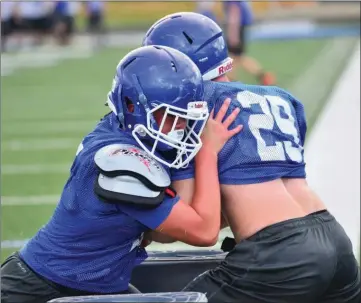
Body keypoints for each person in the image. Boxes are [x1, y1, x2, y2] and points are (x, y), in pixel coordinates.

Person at [142, 12, 361, 303]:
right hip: (334, 239)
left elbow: (192, 222)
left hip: (278, 252)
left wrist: (143, 226)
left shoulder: (195, 106)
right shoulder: (279, 97)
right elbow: (254, 192)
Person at [0, 45, 242, 303]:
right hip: (39, 288)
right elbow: (203, 233)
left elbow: (163, 231)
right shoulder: (122, 164)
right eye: (171, 115)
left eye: (186, 117)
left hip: (97, 284)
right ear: (131, 104)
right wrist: (207, 153)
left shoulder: (120, 127)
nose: (181, 127)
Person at [223, 1, 275, 85]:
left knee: (232, 57)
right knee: (238, 58)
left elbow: (234, 17)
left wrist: (233, 36)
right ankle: (263, 76)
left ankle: (230, 83)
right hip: (239, 28)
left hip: (236, 30)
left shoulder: (232, 3)